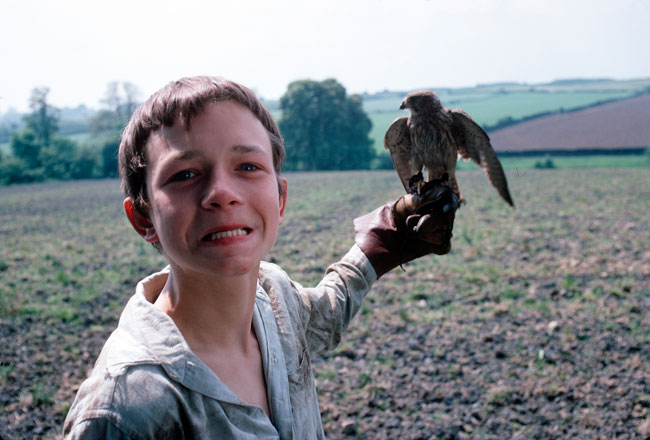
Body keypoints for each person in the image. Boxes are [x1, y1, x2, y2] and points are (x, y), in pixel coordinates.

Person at [62, 76, 456, 439]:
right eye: (184, 174)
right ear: (144, 218)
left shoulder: (274, 296)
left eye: (247, 166)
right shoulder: (124, 411)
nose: (221, 192)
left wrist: (378, 247)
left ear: (280, 200)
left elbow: (322, 316)